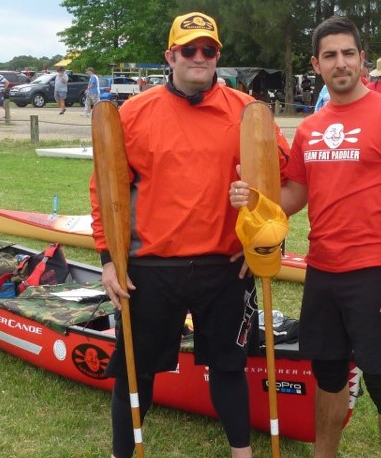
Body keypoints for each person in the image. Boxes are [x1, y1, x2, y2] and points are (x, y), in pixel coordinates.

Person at [230, 16, 381, 457]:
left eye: (347, 53)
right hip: (321, 273)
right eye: (330, 56)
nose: (340, 63)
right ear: (316, 65)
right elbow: (295, 195)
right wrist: (255, 199)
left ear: (362, 59)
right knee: (327, 376)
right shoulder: (310, 127)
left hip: (376, 274)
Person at [89, 11, 288, 458]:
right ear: (170, 55)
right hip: (150, 269)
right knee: (136, 375)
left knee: (229, 368)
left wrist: (262, 228)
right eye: (189, 49)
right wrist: (107, 258)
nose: (200, 57)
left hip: (225, 267)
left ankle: (242, 452)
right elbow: (105, 189)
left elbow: (283, 181)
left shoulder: (248, 113)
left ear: (217, 55)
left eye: (209, 49)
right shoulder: (134, 113)